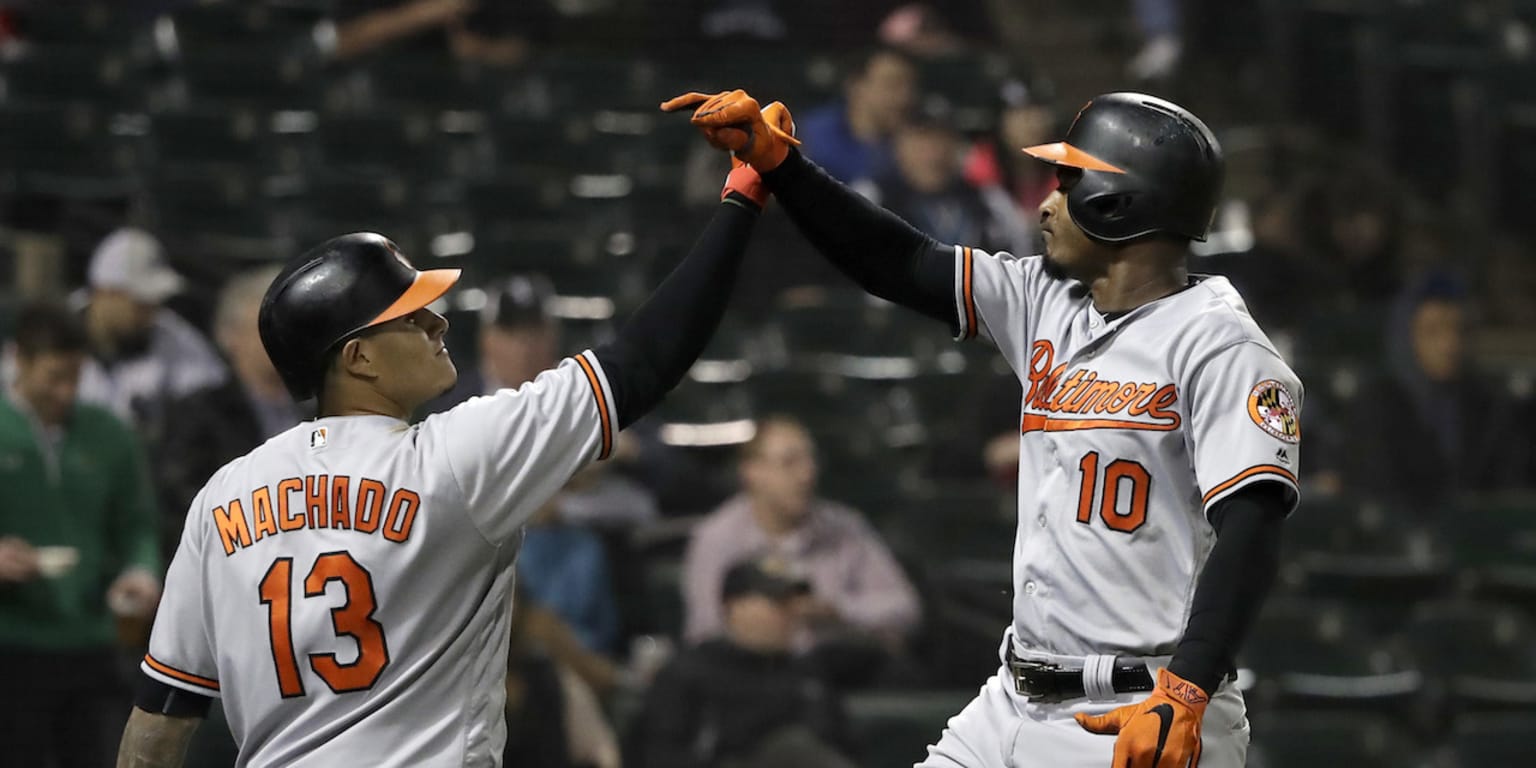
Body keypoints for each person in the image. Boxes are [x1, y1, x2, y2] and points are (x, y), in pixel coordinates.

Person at [664, 89, 1302, 767]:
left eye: (1069, 183)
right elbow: (901, 261)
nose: (1046, 203)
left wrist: (1191, 684)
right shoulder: (1043, 298)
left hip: (1141, 704)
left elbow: (1253, 530)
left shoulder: (1223, 348)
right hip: (1014, 696)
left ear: (1120, 204)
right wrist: (784, 168)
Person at [113, 142, 782, 767]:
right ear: (358, 357)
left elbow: (159, 723)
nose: (439, 321)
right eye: (411, 315)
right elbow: (643, 360)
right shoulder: (454, 457)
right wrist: (742, 199)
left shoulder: (224, 496)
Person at [0, 302, 162, 768]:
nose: (65, 391)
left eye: (75, 376)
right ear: (18, 359)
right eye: (53, 376)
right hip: (12, 642)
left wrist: (140, 570)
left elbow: (137, 523)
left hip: (93, 639)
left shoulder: (110, 434)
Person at [682, 416, 921, 655]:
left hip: (839, 671)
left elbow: (905, 608)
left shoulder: (845, 527)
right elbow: (704, 631)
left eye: (810, 461)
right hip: (752, 677)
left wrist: (836, 611)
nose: (807, 475)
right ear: (752, 472)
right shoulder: (717, 537)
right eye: (790, 463)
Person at [636, 558, 856, 768]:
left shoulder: (808, 674)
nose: (792, 613)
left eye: (795, 603)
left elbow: (842, 747)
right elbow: (662, 758)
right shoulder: (687, 674)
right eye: (777, 602)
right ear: (733, 606)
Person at [153, 265, 307, 559]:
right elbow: (184, 502)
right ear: (229, 336)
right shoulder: (199, 414)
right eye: (268, 326)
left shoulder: (320, 407)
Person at [1344, 275, 1530, 512]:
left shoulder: (1492, 407)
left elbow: (1509, 490)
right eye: (1433, 331)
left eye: (1459, 330)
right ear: (1407, 337)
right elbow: (1374, 489)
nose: (1450, 344)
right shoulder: (1375, 405)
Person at [75, 228, 228, 440]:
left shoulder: (172, 333)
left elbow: (213, 391)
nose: (150, 311)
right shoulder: (55, 335)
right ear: (105, 293)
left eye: (154, 301)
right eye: (140, 302)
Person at [794, 47, 916, 188]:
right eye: (892, 85)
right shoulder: (808, 134)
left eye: (910, 87)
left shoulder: (915, 142)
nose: (905, 97)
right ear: (855, 85)